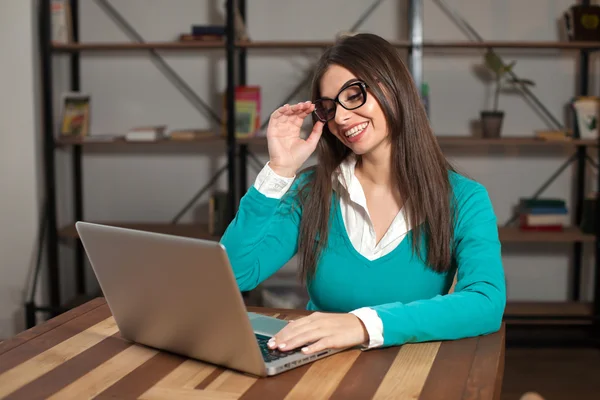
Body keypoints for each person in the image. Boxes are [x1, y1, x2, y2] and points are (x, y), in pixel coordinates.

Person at [220, 33, 506, 356]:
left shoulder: (465, 200)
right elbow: (234, 274)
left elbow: (486, 301)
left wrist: (361, 325)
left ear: (393, 87)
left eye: (354, 95)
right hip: (316, 374)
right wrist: (278, 171)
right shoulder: (310, 191)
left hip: (410, 375)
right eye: (329, 108)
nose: (340, 118)